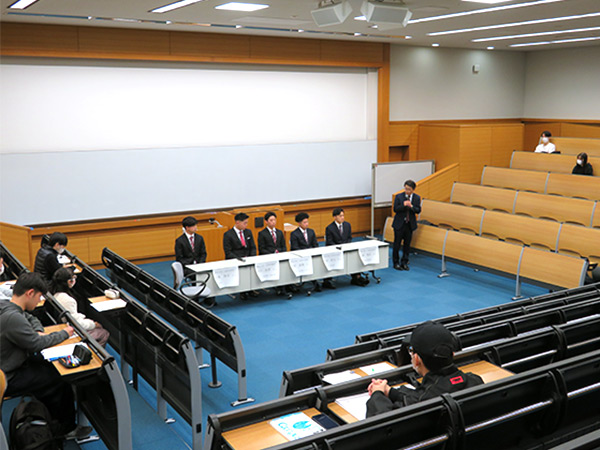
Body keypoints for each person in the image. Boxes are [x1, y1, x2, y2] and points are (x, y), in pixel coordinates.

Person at [0, 272, 92, 440]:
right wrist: (64, 333)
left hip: (11, 362)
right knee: (57, 379)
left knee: (47, 366)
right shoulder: (12, 318)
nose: (39, 301)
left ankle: (50, 417)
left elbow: (30, 318)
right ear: (30, 293)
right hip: (8, 375)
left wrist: (37, 330)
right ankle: (66, 429)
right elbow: (37, 344)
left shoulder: (6, 305)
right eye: (39, 296)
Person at [366, 321, 484, 417]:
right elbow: (419, 395)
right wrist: (390, 392)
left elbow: (381, 421)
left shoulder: (422, 404)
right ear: (452, 354)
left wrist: (377, 394)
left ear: (417, 359)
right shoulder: (475, 381)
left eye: (411, 351)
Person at [50, 267, 110, 347]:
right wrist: (93, 324)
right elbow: (77, 324)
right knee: (104, 333)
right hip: (72, 330)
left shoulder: (53, 293)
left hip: (62, 326)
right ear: (69, 282)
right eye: (74, 277)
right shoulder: (68, 300)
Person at [325, 208, 368, 287]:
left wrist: (346, 246)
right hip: (335, 251)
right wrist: (339, 248)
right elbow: (329, 242)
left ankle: (356, 277)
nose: (342, 217)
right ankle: (327, 280)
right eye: (340, 216)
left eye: (343, 215)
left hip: (346, 248)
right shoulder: (329, 228)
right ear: (335, 217)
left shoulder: (347, 225)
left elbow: (349, 238)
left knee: (355, 256)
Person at [223, 212, 257, 300]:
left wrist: (252, 257)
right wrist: (239, 259)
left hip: (248, 258)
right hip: (236, 259)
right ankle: (243, 291)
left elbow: (253, 247)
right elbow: (228, 252)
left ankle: (251, 289)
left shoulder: (248, 232)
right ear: (237, 222)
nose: (246, 225)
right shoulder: (228, 235)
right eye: (244, 223)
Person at [258, 212, 292, 297]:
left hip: (280, 256)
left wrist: (280, 253)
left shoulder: (279, 232)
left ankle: (285, 286)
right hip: (269, 257)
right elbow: (262, 249)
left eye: (274, 220)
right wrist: (273, 254)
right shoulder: (262, 234)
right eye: (271, 220)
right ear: (266, 222)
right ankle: (279, 287)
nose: (273, 222)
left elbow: (283, 246)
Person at [392, 180, 421, 271]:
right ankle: (396, 262)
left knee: (407, 245)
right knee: (397, 244)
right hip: (399, 224)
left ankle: (404, 262)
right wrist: (404, 205)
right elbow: (395, 209)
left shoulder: (416, 198)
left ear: (413, 190)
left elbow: (418, 210)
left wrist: (411, 206)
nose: (407, 191)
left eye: (409, 189)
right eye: (405, 188)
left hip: (409, 225)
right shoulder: (399, 197)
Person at [290, 212, 322, 292]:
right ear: (299, 223)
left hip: (311, 255)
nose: (307, 224)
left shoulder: (311, 231)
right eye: (304, 222)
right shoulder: (294, 234)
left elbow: (315, 244)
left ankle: (315, 280)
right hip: (301, 257)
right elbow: (294, 248)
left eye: (307, 222)